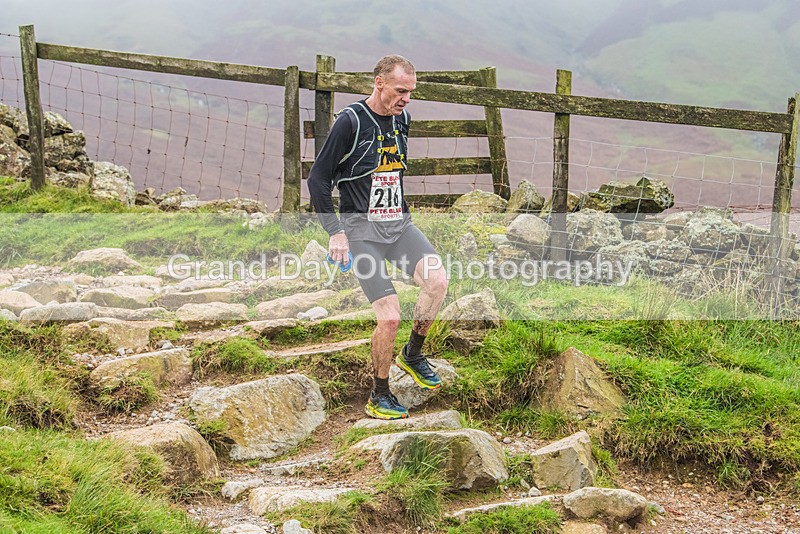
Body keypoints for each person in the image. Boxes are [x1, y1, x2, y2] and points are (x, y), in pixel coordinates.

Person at [307, 55, 449, 420]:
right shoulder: (350, 122)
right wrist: (336, 233)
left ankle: (414, 353)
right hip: (361, 233)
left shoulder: (403, 119)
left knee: (437, 281)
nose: (406, 99)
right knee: (389, 316)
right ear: (379, 83)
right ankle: (379, 393)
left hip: (398, 226)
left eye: (411, 92)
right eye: (401, 90)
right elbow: (318, 180)